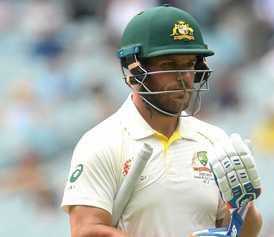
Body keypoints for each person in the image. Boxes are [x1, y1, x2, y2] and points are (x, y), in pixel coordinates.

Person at [61, 5, 262, 237]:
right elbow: (86, 231)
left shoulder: (214, 141)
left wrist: (243, 208)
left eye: (189, 65)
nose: (184, 78)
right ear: (134, 70)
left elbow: (242, 232)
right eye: (169, 66)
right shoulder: (102, 143)